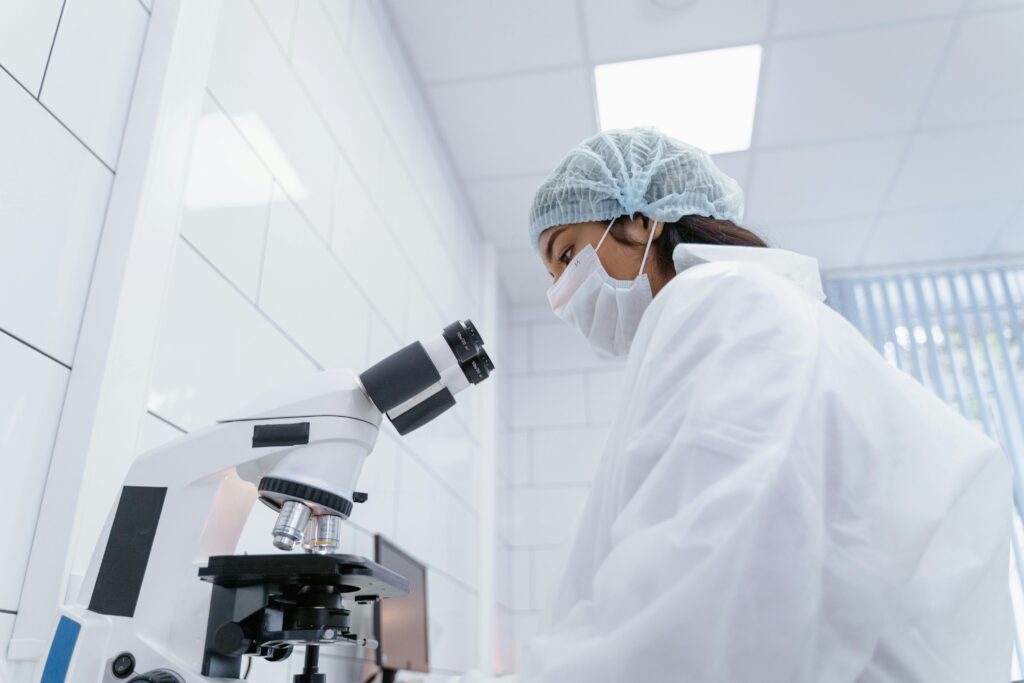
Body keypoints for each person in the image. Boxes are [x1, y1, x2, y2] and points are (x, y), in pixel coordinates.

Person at [480, 127, 1014, 681]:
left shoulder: (726, 303)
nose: (565, 293)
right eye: (553, 277)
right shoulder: (733, 315)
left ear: (640, 221)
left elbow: (704, 594)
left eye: (567, 254)